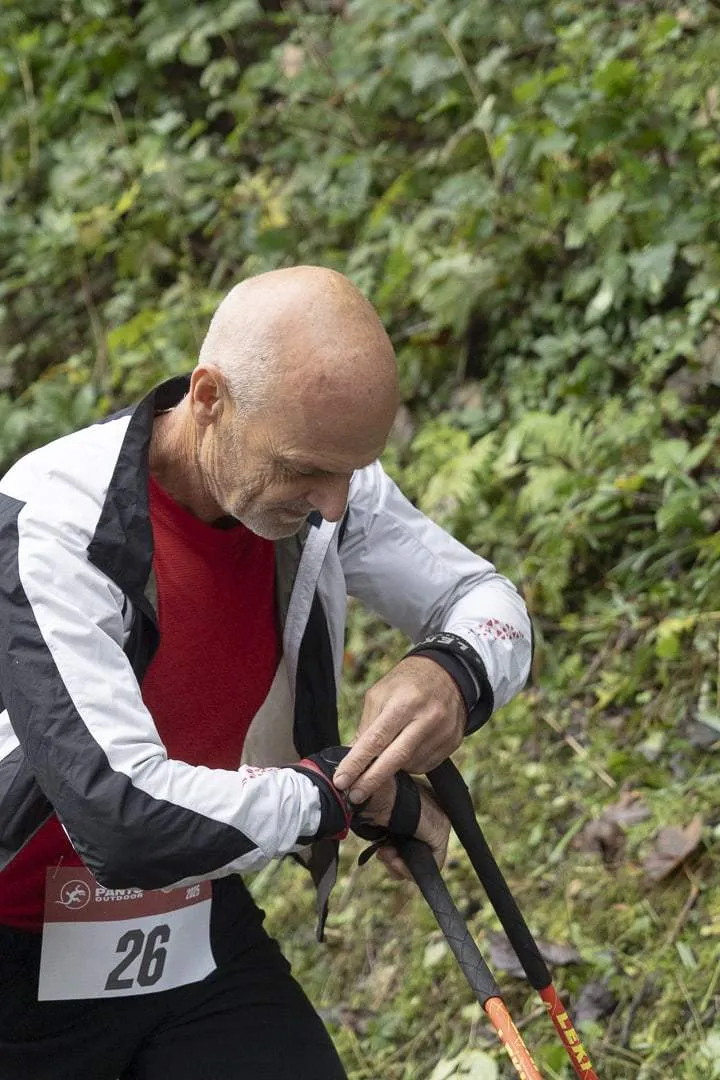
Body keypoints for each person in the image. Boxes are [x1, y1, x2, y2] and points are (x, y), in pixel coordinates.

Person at [0, 266, 532, 1079]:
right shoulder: (57, 520)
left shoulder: (326, 484)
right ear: (209, 397)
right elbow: (122, 820)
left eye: (352, 469)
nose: (330, 505)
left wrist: (450, 671)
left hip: (180, 921)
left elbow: (480, 596)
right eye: (304, 469)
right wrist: (337, 794)